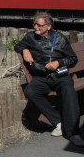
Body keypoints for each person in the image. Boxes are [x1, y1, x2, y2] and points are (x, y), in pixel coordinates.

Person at [14, 12, 84, 146]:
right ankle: (58, 121)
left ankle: (73, 133)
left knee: (70, 93)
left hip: (60, 76)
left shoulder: (60, 39)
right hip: (42, 77)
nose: (36, 27)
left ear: (48, 26)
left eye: (39, 25)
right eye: (34, 24)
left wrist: (58, 63)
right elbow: (18, 45)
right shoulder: (30, 37)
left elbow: (72, 59)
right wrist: (25, 50)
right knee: (31, 91)